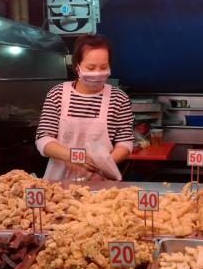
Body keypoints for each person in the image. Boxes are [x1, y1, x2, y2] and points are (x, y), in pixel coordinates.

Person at [36, 34, 133, 180]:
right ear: (77, 66)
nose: (98, 73)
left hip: (100, 183)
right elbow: (43, 138)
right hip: (58, 183)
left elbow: (125, 142)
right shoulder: (58, 94)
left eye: (103, 67)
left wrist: (106, 163)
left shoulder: (119, 98)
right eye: (91, 67)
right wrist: (71, 156)